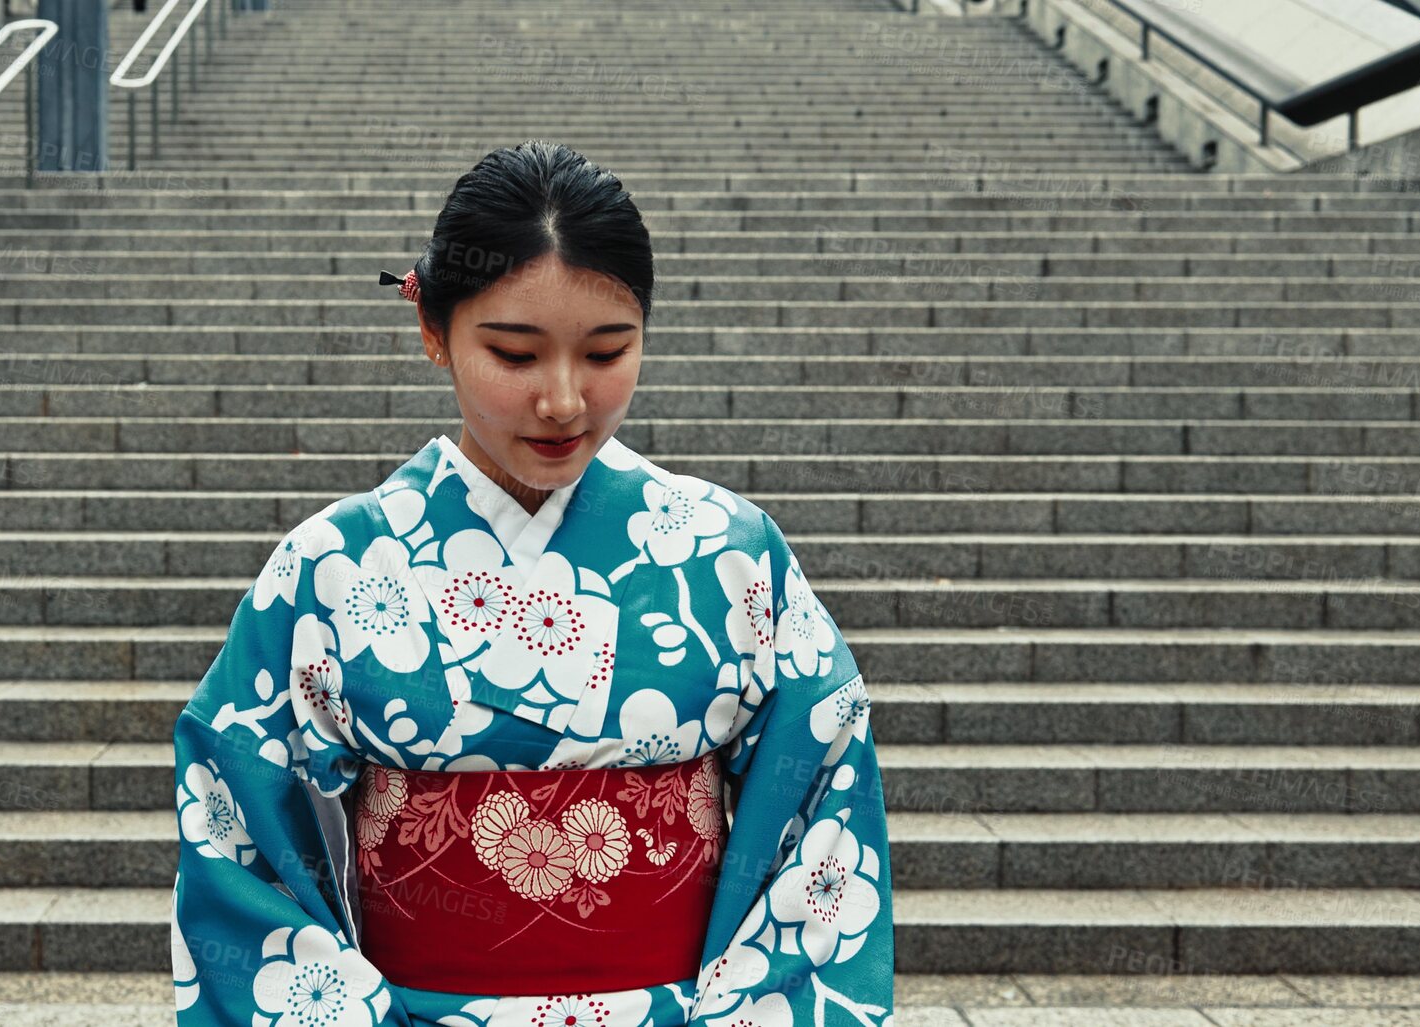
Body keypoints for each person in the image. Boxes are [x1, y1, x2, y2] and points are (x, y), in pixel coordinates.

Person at [169, 140, 894, 1027]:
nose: (562, 400)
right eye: (514, 354)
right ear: (432, 331)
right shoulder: (333, 565)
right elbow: (235, 817)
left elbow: (825, 787)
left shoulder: (729, 550)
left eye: (605, 351)